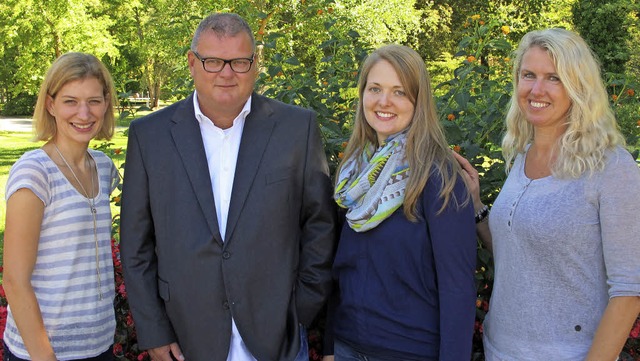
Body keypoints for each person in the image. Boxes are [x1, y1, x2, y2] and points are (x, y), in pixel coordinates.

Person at [119, 12, 337, 361]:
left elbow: (320, 225)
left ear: (256, 64)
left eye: (239, 62)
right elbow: (136, 244)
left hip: (277, 339)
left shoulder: (297, 129)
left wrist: (301, 309)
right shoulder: (150, 136)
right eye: (213, 61)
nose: (226, 73)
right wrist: (153, 330)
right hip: (186, 338)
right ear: (192, 63)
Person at [454, 28, 640, 360]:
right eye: (529, 75)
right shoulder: (523, 154)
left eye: (554, 78)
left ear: (578, 87)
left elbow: (629, 291)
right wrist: (478, 206)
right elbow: (521, 253)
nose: (537, 89)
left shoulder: (611, 167)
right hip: (499, 349)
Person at [323, 44, 477, 361]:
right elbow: (342, 272)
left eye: (399, 92)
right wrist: (328, 348)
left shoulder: (439, 176)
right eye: (375, 88)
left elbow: (458, 288)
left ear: (418, 102)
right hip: (348, 346)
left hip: (410, 351)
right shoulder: (354, 176)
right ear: (362, 94)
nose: (384, 102)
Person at [2, 52, 120, 361]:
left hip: (100, 344)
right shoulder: (34, 173)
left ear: (106, 104)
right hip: (42, 352)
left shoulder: (105, 168)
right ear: (51, 104)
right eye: (70, 101)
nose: (84, 113)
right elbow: (14, 280)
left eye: (94, 100)